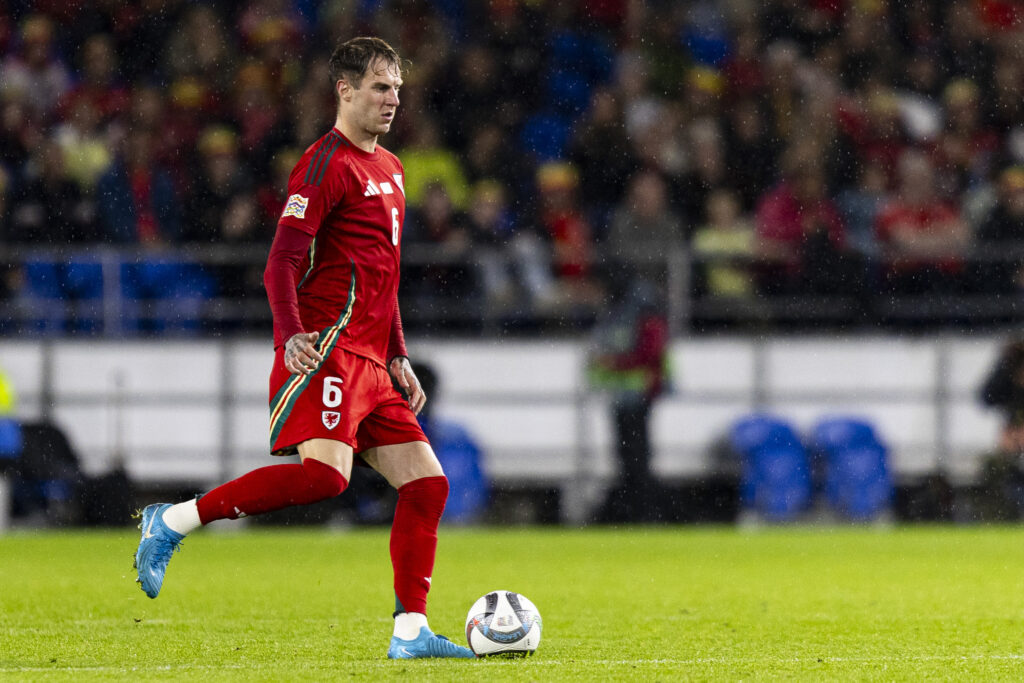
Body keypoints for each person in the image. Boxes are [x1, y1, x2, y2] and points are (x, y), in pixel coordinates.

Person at [132, 37, 475, 660]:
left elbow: (383, 273)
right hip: (327, 348)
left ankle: (411, 632)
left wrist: (398, 353)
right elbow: (280, 262)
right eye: (379, 86)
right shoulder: (325, 164)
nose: (392, 98)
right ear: (344, 90)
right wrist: (291, 335)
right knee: (324, 476)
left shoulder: (393, 169)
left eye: (397, 87)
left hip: (374, 359)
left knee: (427, 485)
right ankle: (174, 520)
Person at [587, 276, 670, 523]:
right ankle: (638, 511)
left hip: (638, 394)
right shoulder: (630, 312)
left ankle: (642, 512)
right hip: (623, 395)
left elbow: (650, 353)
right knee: (629, 457)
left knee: (635, 457)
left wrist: (614, 364)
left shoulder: (639, 313)